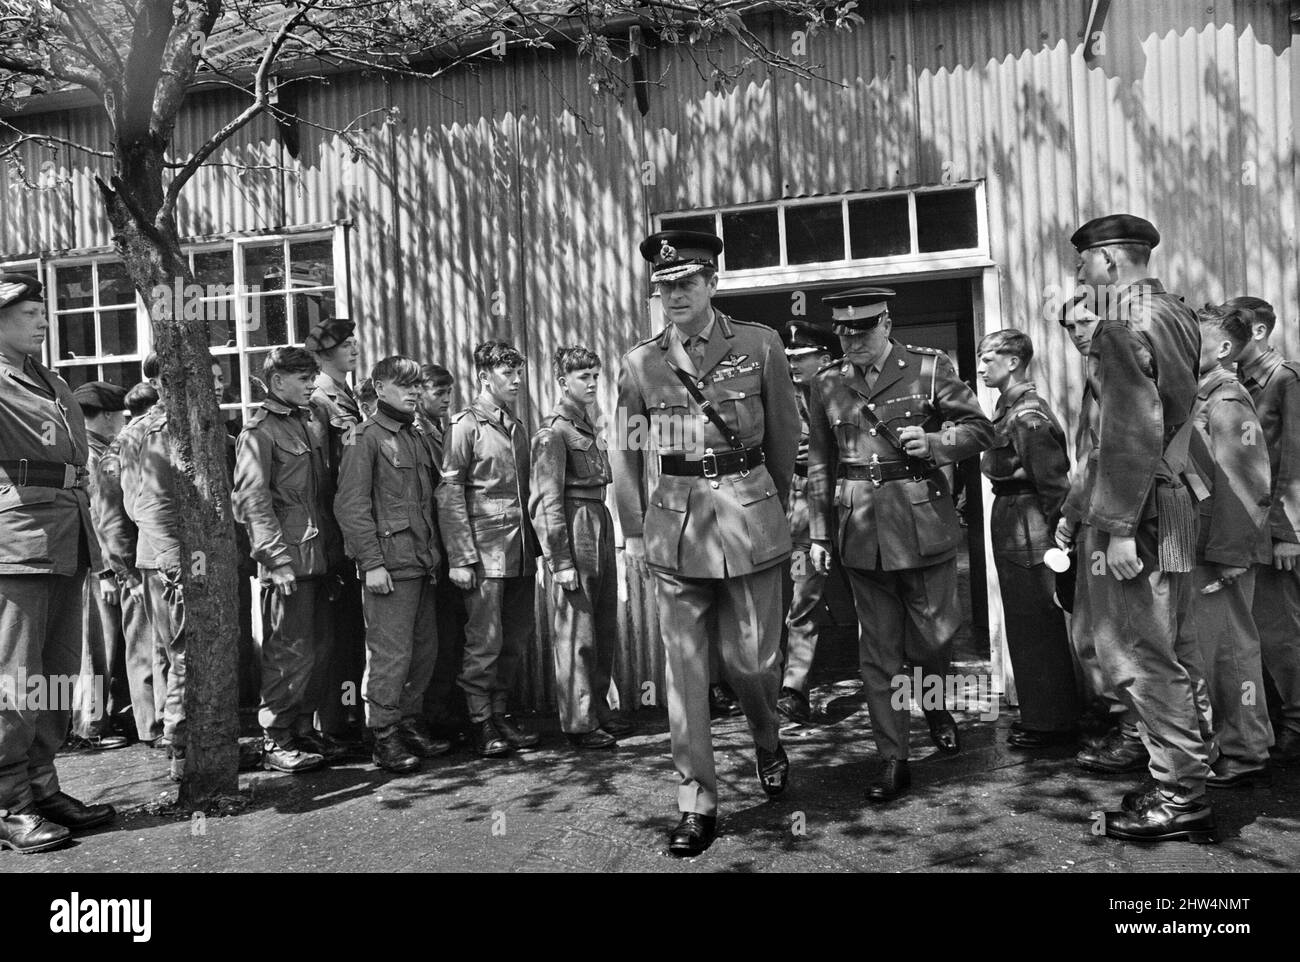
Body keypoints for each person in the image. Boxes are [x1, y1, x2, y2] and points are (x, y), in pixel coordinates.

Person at [612, 230, 799, 856]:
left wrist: (772, 507)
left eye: (685, 284)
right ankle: (697, 802)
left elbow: (782, 440)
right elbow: (628, 451)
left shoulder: (759, 345)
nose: (673, 296)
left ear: (712, 283)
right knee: (685, 676)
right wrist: (634, 533)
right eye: (662, 287)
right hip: (675, 529)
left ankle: (767, 739)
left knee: (752, 662)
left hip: (748, 521)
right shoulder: (641, 363)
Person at [1058, 214, 1216, 843]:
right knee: (1172, 645)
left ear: (1110, 263)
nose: (1080, 276)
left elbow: (1129, 429)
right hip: (1171, 498)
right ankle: (1177, 772)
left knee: (1141, 655)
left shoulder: (1122, 325)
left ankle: (1181, 795)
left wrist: (1118, 527)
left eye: (1083, 265)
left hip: (1140, 511)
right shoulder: (1176, 314)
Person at [806, 287, 993, 803]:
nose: (852, 340)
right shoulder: (825, 383)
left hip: (921, 526)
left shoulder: (930, 369)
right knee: (879, 653)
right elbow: (821, 464)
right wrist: (820, 534)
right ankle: (893, 757)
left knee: (933, 638)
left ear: (887, 323)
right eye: (843, 331)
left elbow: (982, 429)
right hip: (860, 533)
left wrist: (936, 443)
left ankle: (935, 704)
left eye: (862, 329)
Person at [0, 272, 116, 854]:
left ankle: (42, 786)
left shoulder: (47, 378)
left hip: (66, 533)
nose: (43, 321)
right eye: (28, 314)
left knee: (54, 675)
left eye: (43, 312)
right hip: (16, 538)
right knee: (14, 679)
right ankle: (7, 801)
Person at [234, 347, 349, 773]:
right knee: (287, 652)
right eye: (302, 378)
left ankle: (303, 730)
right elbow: (251, 499)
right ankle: (275, 738)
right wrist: (275, 559)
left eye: (312, 378)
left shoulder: (309, 421)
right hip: (288, 563)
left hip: (320, 559)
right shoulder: (259, 432)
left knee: (318, 651)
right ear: (277, 380)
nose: (309, 385)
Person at [335, 355, 450, 773]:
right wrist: (372, 563)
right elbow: (351, 506)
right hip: (389, 566)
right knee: (390, 655)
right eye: (404, 385)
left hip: (421, 562)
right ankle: (383, 735)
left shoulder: (415, 437)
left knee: (423, 652)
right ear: (379, 389)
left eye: (418, 385)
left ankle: (409, 723)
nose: (414, 391)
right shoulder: (363, 438)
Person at [975, 330, 1080, 749]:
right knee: (1023, 621)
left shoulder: (1027, 415)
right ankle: (1044, 716)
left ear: (1014, 362)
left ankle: (1051, 724)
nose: (981, 367)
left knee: (1036, 623)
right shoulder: (1009, 410)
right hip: (1015, 520)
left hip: (1030, 525)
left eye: (989, 359)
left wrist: (1061, 542)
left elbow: (1054, 485)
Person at [437, 341, 541, 758]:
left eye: (519, 372)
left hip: (518, 552)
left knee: (514, 640)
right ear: (484, 377)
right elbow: (449, 493)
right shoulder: (466, 426)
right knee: (484, 641)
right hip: (483, 554)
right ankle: (480, 723)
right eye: (507, 374)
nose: (517, 381)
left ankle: (499, 715)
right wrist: (460, 557)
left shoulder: (515, 425)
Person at [1186, 305, 1273, 786]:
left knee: (1232, 652)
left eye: (1191, 339)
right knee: (1210, 651)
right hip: (1203, 546)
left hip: (1221, 552)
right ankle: (1229, 743)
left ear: (1221, 349)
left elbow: (1246, 482)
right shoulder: (1200, 397)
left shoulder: (1226, 400)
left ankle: (1245, 749)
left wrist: (1233, 557)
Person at [530, 346, 633, 749]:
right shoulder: (552, 431)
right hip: (574, 525)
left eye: (594, 375)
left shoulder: (587, 425)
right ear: (562, 382)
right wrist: (561, 561)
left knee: (602, 623)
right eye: (581, 377)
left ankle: (597, 710)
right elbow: (545, 500)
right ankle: (579, 722)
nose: (591, 383)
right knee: (576, 629)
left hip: (598, 519)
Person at [1229, 296, 1300, 765]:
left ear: (1257, 333)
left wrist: (1288, 532)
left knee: (1281, 632)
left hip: (1277, 527)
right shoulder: (1239, 384)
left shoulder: (1284, 381)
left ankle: (1296, 721)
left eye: (1236, 332)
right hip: (1250, 527)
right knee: (1253, 632)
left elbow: (1293, 460)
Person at [96, 368, 165, 751]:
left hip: (157, 553)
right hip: (138, 561)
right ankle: (151, 725)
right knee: (144, 645)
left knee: (161, 645)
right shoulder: (122, 446)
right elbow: (111, 517)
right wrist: (125, 572)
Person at [777, 320, 842, 725]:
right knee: (802, 597)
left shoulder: (844, 394)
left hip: (851, 506)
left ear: (826, 359)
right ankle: (792, 688)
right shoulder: (781, 397)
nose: (793, 365)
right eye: (789, 359)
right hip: (799, 509)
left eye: (801, 358)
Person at [307, 317, 366, 743]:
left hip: (348, 528)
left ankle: (347, 720)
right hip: (333, 530)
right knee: (334, 639)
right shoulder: (320, 399)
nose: (354, 348)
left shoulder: (345, 395)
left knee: (350, 638)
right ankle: (333, 727)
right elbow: (325, 470)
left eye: (353, 342)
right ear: (325, 354)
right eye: (346, 344)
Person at [69, 381, 132, 751]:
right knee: (96, 647)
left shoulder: (92, 450)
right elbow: (101, 519)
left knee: (105, 645)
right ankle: (91, 725)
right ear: (108, 416)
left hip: (97, 563)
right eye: (120, 414)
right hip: (98, 567)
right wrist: (107, 571)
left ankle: (104, 717)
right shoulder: (94, 457)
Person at [418, 363, 470, 740]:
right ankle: (430, 715)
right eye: (438, 394)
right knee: (431, 639)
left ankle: (446, 711)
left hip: (446, 545)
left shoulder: (445, 428)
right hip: (428, 548)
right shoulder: (417, 431)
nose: (445, 401)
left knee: (451, 634)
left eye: (449, 394)